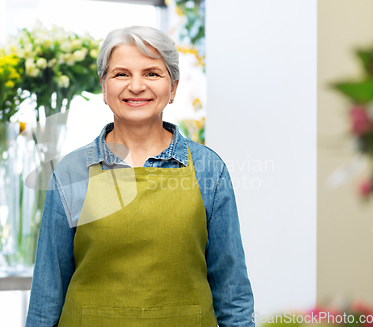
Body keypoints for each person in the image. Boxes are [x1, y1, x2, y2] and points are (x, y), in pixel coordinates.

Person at [26, 26, 254, 327]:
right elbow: (47, 294)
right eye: (121, 74)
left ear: (172, 88)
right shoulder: (71, 171)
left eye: (152, 73)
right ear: (104, 87)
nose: (136, 86)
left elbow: (232, 292)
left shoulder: (208, 169)